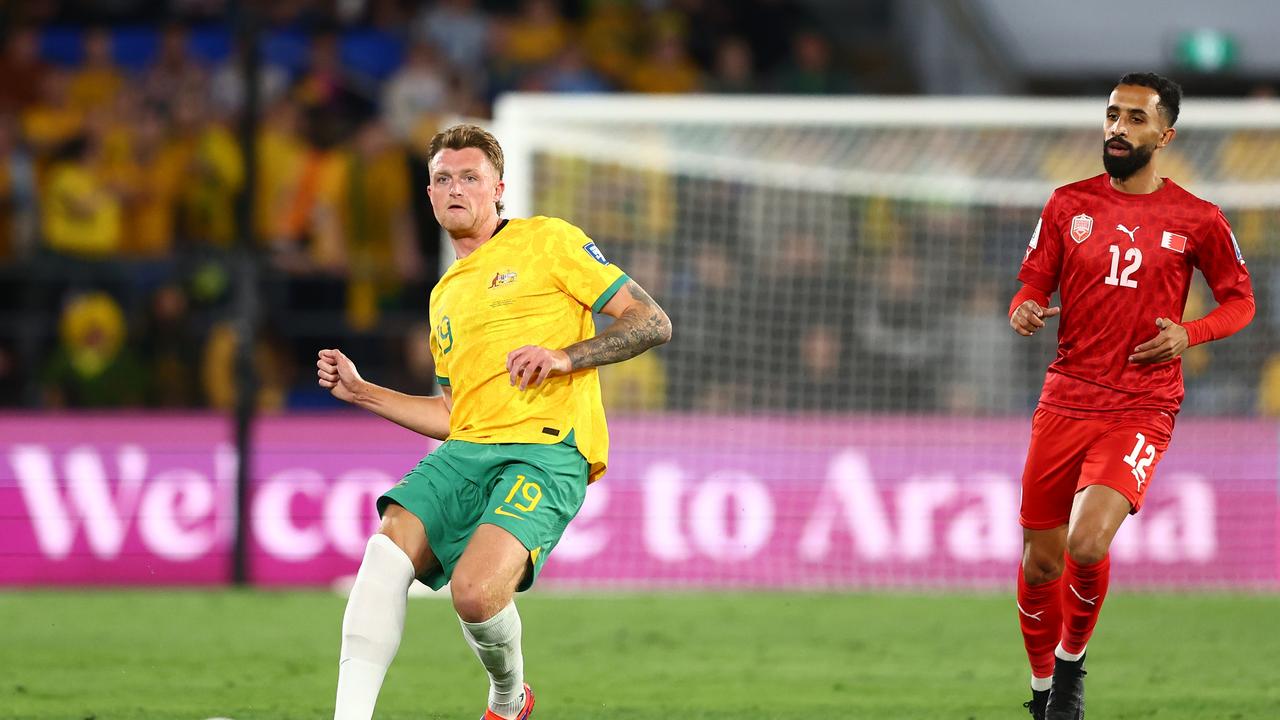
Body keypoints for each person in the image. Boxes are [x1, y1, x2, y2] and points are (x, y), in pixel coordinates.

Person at [318, 123, 672, 720]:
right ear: (428, 195)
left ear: (499, 188)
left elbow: (651, 321)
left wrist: (564, 357)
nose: (456, 188)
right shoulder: (444, 295)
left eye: (470, 178)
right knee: (383, 558)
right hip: (468, 451)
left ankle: (509, 700)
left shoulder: (548, 241)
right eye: (442, 179)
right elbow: (456, 414)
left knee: (477, 594)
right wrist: (363, 393)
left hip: (548, 448)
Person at [1010, 73, 1254, 720]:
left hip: (1142, 405)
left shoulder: (1198, 218)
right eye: (1113, 115)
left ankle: (1069, 671)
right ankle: (1038, 692)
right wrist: (1025, 308)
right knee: (1041, 563)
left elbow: (1241, 301)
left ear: (1165, 135)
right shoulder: (1066, 204)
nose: (1118, 127)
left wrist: (1189, 333)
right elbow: (1032, 282)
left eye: (1136, 119)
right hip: (1065, 398)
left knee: (1087, 545)